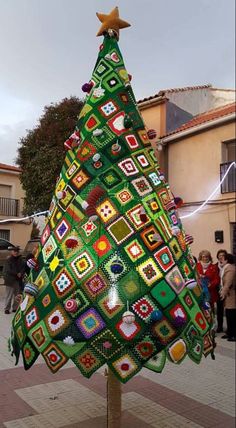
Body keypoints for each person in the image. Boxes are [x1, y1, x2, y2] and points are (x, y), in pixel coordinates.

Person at [3, 246, 25, 314]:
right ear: (12, 252)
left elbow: (23, 268)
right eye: (14, 251)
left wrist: (21, 273)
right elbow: (8, 270)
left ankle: (15, 308)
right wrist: (16, 273)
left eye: (17, 251)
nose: (16, 252)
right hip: (10, 280)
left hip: (17, 280)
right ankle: (7, 309)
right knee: (9, 295)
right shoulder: (8, 260)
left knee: (17, 295)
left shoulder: (21, 259)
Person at [220, 253, 236, 342]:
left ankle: (233, 334)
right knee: (229, 314)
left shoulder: (230, 269)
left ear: (227, 260)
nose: (221, 260)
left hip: (231, 294)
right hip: (228, 294)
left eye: (223, 258)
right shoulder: (227, 268)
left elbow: (228, 282)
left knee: (231, 314)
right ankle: (230, 332)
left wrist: (223, 292)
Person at [215, 249, 228, 333]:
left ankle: (230, 327)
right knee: (219, 310)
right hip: (218, 290)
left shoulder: (228, 265)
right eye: (219, 256)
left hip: (227, 290)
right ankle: (220, 326)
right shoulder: (215, 266)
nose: (221, 257)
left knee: (229, 310)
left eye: (222, 255)